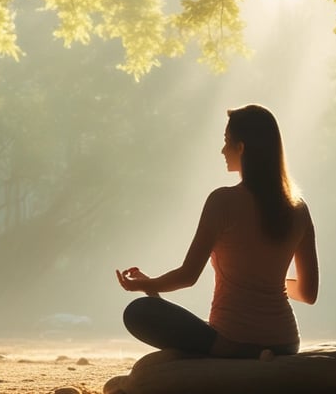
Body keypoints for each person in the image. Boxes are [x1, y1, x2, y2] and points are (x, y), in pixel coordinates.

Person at [116, 104, 319, 359]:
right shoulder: (298, 208)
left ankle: (235, 352)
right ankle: (246, 351)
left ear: (241, 147)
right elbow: (308, 293)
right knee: (170, 314)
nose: (223, 150)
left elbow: (188, 276)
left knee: (138, 312)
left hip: (232, 340)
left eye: (226, 141)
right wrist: (266, 283)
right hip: (286, 343)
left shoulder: (222, 201)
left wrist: (145, 285)